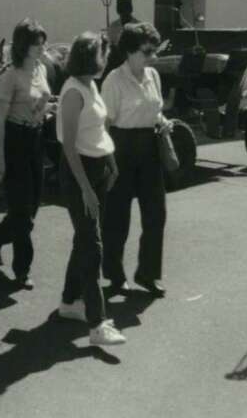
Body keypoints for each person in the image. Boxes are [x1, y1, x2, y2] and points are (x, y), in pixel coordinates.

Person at [55, 31, 125, 346]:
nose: (106, 60)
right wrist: (85, 189)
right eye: (102, 54)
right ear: (90, 57)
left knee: (83, 239)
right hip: (77, 173)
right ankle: (96, 324)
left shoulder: (91, 84)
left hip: (98, 169)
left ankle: (70, 303)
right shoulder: (72, 93)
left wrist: (111, 162)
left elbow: (97, 129)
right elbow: (69, 147)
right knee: (92, 246)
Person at [101, 22, 170, 296]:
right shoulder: (113, 81)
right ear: (129, 51)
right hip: (122, 148)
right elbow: (104, 123)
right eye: (147, 50)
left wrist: (163, 122)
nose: (152, 56)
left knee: (156, 214)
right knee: (118, 218)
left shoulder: (153, 75)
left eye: (155, 50)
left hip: (149, 148)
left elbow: (156, 110)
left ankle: (147, 273)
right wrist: (108, 161)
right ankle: (115, 275)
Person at [0, 19, 52, 289]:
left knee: (32, 205)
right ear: (23, 45)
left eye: (43, 41)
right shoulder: (11, 75)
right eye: (36, 43)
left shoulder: (41, 69)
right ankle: (22, 269)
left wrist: (47, 110)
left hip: (35, 138)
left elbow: (41, 102)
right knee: (23, 212)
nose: (41, 47)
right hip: (15, 140)